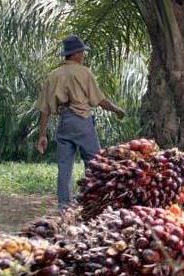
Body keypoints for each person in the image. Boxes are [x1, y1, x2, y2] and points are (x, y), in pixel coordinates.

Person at [36, 35, 125, 212]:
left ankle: (63, 206)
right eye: (82, 52)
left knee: (64, 166)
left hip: (65, 122)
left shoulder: (53, 75)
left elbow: (44, 109)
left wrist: (42, 135)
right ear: (75, 54)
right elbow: (99, 100)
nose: (83, 55)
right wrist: (116, 110)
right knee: (94, 164)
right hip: (82, 121)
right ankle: (95, 201)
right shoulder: (84, 72)